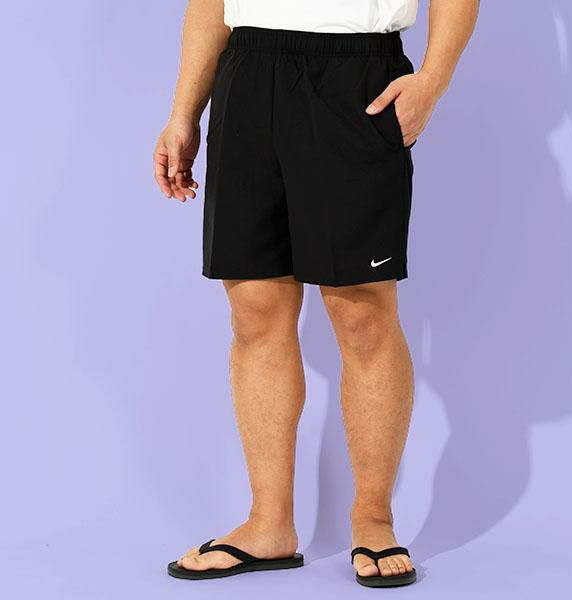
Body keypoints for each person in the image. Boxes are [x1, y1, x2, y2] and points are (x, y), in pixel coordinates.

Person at [154, 0, 478, 588]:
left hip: (356, 74)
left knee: (361, 313)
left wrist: (431, 81)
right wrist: (184, 112)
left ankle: (373, 519)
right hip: (247, 70)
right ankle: (269, 525)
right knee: (255, 310)